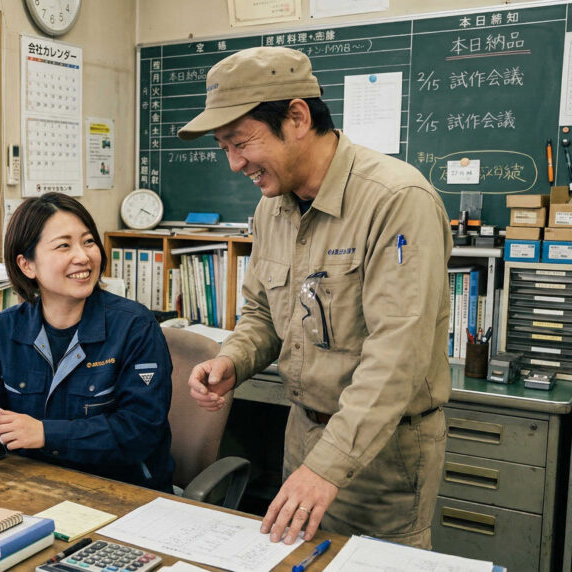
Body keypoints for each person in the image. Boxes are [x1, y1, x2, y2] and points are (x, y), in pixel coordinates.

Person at [177, 47, 452, 548]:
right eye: (224, 148)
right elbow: (263, 312)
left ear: (298, 117)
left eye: (241, 142)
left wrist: (327, 466)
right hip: (302, 435)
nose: (235, 164)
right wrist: (233, 360)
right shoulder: (271, 210)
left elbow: (398, 356)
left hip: (383, 455)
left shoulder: (396, 200)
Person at [0, 192, 175, 492]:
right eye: (64, 245)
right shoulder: (4, 329)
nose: (83, 256)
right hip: (29, 486)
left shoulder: (135, 326)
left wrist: (46, 434)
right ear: (27, 265)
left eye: (88, 242)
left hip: (117, 491)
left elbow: (139, 431)